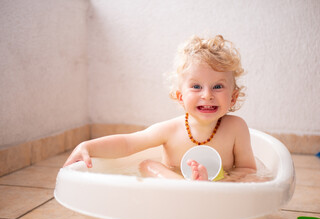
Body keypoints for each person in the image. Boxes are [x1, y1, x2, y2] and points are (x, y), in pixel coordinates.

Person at [63, 35, 258, 182]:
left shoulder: (236, 128)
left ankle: (197, 189)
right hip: (173, 191)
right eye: (196, 86)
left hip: (218, 192)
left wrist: (220, 183)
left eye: (217, 86)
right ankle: (185, 188)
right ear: (180, 97)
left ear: (233, 97)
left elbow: (248, 170)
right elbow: (128, 143)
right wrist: (87, 146)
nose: (207, 95)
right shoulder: (171, 130)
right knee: (148, 165)